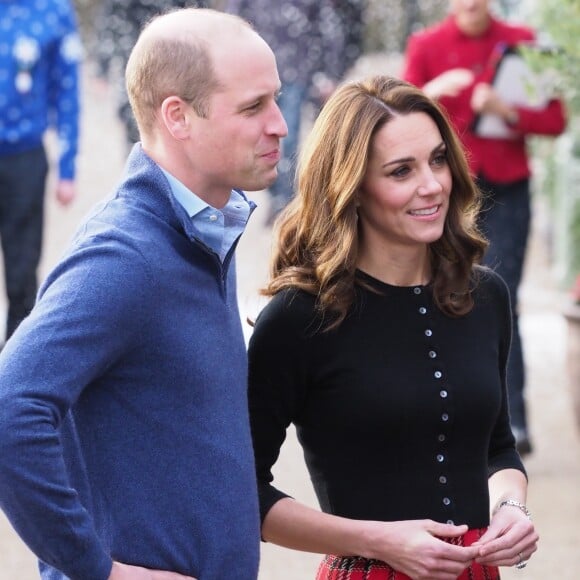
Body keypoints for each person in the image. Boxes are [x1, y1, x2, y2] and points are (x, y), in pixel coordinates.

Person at [0, 7, 287, 580]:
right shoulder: (125, 255)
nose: (280, 123)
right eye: (253, 106)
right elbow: (10, 410)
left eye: (275, 99)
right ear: (177, 117)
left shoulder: (203, 226)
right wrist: (97, 569)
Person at [246, 75, 538, 579]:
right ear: (352, 188)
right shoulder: (299, 319)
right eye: (401, 171)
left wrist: (511, 506)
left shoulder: (485, 296)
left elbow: (496, 447)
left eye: (439, 159)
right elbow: (242, 492)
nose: (432, 185)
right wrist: (377, 539)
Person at [401, 0, 567, 456]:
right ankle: (443, 419)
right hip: (446, 193)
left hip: (507, 190)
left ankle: (511, 421)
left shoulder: (520, 44)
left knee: (501, 298)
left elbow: (554, 120)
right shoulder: (427, 45)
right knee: (439, 294)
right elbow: (388, 117)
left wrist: (506, 110)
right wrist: (432, 91)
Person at [227, 0, 353, 224]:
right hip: (257, 73)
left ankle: (285, 202)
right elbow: (232, 26)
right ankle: (277, 194)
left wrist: (331, 73)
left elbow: (329, 27)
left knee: (286, 137)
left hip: (296, 72)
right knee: (259, 135)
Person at [0, 0, 82, 344]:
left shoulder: (54, 11)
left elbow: (68, 89)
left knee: (21, 274)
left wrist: (67, 167)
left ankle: (12, 372)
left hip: (24, 158)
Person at [93, 0, 207, 149]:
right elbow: (112, 18)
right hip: (134, 64)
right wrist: (102, 67)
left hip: (176, 64)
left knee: (178, 125)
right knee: (139, 128)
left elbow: (201, 20)